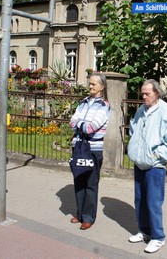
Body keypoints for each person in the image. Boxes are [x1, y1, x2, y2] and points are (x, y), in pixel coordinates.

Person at [127, 79, 167, 253]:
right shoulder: (141, 110)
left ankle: (158, 237)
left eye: (147, 94)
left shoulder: (166, 111)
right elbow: (133, 129)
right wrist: (135, 149)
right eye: (142, 93)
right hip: (140, 163)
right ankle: (144, 231)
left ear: (157, 93)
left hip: (155, 166)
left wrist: (157, 155)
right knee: (140, 200)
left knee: (153, 202)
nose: (143, 97)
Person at [69, 73, 110, 230]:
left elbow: (92, 127)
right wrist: (81, 124)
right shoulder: (83, 103)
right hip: (78, 146)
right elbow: (72, 122)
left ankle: (88, 217)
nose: (90, 86)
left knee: (91, 183)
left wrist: (80, 123)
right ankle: (79, 214)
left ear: (102, 87)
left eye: (94, 84)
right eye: (90, 83)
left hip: (93, 149)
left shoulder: (104, 106)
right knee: (79, 180)